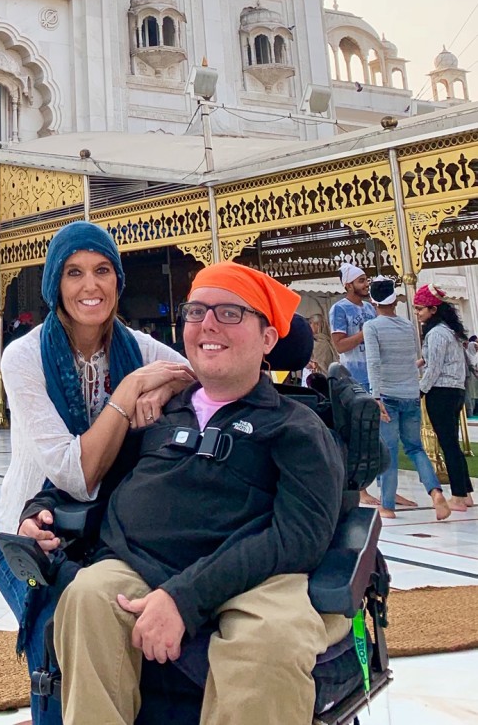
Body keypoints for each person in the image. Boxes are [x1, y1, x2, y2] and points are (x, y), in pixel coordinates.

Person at [41, 262, 348, 725]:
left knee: (268, 646)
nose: (207, 324)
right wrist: (40, 507)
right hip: (141, 564)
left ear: (267, 339)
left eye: (228, 312)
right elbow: (99, 476)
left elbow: (298, 538)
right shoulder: (160, 413)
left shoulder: (295, 426)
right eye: (196, 311)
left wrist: (185, 597)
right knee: (88, 597)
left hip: (255, 577)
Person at [0, 220, 193, 725]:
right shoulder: (24, 356)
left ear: (117, 281)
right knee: (59, 644)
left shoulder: (138, 350)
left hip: (109, 534)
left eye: (103, 270)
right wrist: (127, 396)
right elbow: (72, 474)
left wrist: (163, 390)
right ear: (55, 283)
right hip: (29, 534)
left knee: (115, 648)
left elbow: (196, 378)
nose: (90, 286)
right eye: (74, 272)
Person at [362, 277, 450, 520]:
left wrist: (375, 396)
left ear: (373, 300)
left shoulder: (372, 327)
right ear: (395, 299)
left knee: (388, 452)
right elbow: (413, 358)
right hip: (410, 394)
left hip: (387, 396)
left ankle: (387, 506)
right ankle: (435, 493)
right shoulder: (408, 326)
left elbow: (374, 363)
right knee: (415, 448)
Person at [415, 283, 474, 511]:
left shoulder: (438, 332)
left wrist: (421, 389)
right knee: (452, 443)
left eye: (421, 309)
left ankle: (458, 496)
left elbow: (435, 368)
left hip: (442, 391)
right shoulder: (447, 331)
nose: (418, 313)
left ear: (433, 310)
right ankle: (465, 492)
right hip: (454, 390)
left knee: (448, 444)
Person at [328, 263, 376, 387]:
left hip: (376, 375)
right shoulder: (339, 309)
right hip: (354, 378)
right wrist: (366, 331)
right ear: (349, 286)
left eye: (366, 280)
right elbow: (340, 346)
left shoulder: (370, 307)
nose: (366, 284)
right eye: (361, 281)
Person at [303, 309, 337, 381]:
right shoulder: (326, 340)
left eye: (310, 323)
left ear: (317, 325)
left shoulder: (321, 343)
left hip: (320, 378)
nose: (309, 326)